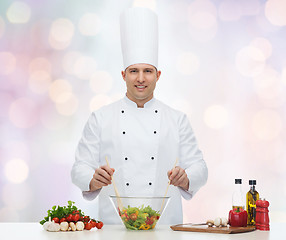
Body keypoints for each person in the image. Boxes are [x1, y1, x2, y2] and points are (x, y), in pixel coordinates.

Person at [71, 7, 208, 225]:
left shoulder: (177, 119)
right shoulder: (100, 118)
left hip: (165, 227)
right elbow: (79, 168)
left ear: (158, 75)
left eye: (148, 71)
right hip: (114, 228)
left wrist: (187, 177)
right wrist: (92, 179)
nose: (141, 79)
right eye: (134, 71)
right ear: (124, 75)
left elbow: (200, 168)